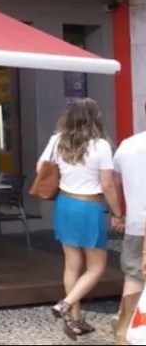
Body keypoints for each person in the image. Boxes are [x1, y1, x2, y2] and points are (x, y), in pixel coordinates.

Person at [42, 98, 122, 339]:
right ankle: (66, 304)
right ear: (95, 118)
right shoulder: (101, 145)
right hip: (89, 206)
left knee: (72, 264)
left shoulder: (57, 140)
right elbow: (107, 185)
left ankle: (76, 320)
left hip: (64, 203)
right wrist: (117, 213)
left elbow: (40, 168)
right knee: (97, 267)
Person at [111, 109, 146, 344]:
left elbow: (113, 182)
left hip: (136, 222)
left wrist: (118, 214)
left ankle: (123, 332)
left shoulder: (127, 145)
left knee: (133, 277)